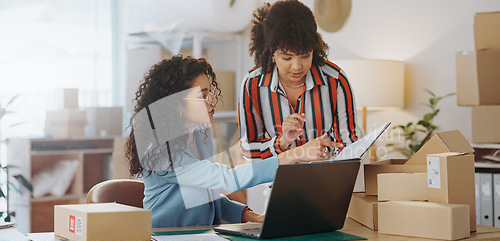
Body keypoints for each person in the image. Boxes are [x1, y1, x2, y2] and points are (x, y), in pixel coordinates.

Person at [125, 55, 338, 228]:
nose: (212, 102)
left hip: (198, 240)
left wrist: (248, 214)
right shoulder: (161, 151)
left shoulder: (193, 139)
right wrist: (296, 153)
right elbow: (227, 179)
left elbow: (205, 194)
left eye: (211, 94)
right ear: (176, 105)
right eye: (202, 96)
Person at [239, 0, 361, 162]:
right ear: (271, 52)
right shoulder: (252, 84)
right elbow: (247, 149)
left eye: (305, 55)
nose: (297, 66)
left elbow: (350, 143)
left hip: (327, 174)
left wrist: (326, 151)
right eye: (287, 57)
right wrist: (283, 142)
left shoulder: (335, 80)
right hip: (279, 177)